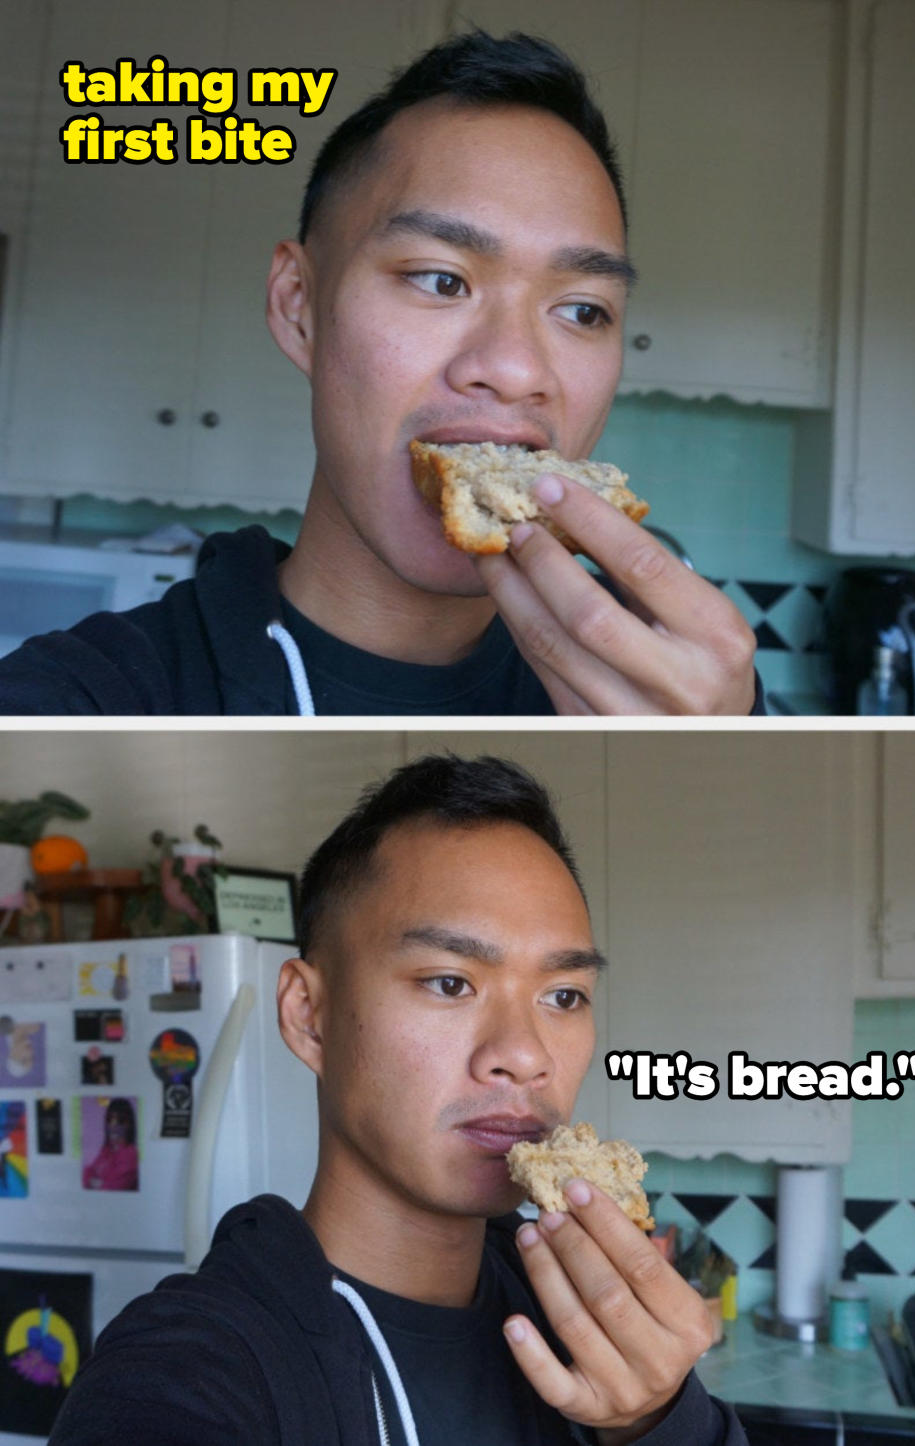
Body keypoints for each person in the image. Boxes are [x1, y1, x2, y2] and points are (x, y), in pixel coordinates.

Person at [0, 31, 760, 717]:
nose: (517, 369)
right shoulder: (78, 699)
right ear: (299, 305)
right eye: (440, 279)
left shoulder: (686, 698)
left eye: (583, 311)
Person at [51, 755, 745, 1444]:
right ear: (307, 1014)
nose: (527, 1055)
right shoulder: (186, 1370)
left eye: (563, 996)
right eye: (449, 982)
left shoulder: (596, 1334)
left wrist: (657, 1424)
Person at [81, 1098, 138, 1192]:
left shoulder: (130, 1154)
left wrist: (95, 1182)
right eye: (109, 1120)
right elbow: (86, 1174)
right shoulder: (107, 1150)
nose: (113, 1125)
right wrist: (99, 1183)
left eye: (120, 1120)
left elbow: (112, 1189)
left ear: (130, 1124)